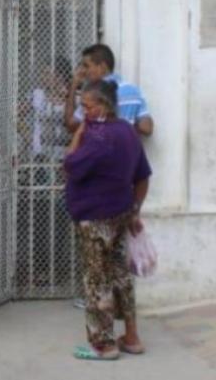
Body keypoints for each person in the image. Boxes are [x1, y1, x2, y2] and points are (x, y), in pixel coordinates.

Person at [63, 80, 151, 361]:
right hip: (121, 213)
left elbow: (70, 164)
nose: (83, 111)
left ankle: (103, 344)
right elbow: (143, 176)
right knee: (120, 276)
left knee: (97, 278)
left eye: (87, 106)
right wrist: (135, 210)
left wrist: (79, 133)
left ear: (103, 106)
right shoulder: (127, 131)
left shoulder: (97, 136)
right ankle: (132, 337)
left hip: (95, 217)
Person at [63, 43, 154, 137]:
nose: (83, 71)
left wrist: (73, 86)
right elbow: (146, 128)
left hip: (100, 149)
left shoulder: (93, 94)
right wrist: (125, 129)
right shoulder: (133, 91)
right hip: (126, 150)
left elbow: (71, 125)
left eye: (86, 66)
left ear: (102, 67)